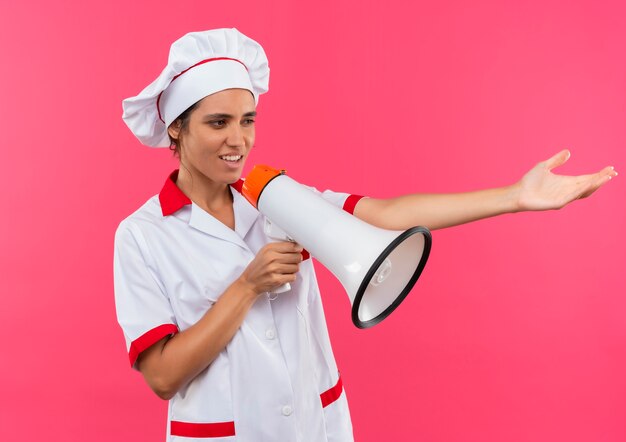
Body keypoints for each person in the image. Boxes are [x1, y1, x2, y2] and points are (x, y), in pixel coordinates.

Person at [114, 28, 617, 442]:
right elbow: (162, 376)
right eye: (217, 122)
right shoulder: (142, 235)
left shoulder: (276, 197)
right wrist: (246, 288)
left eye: (248, 120)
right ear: (175, 129)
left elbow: (385, 213)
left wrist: (515, 196)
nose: (238, 140)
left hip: (318, 428)